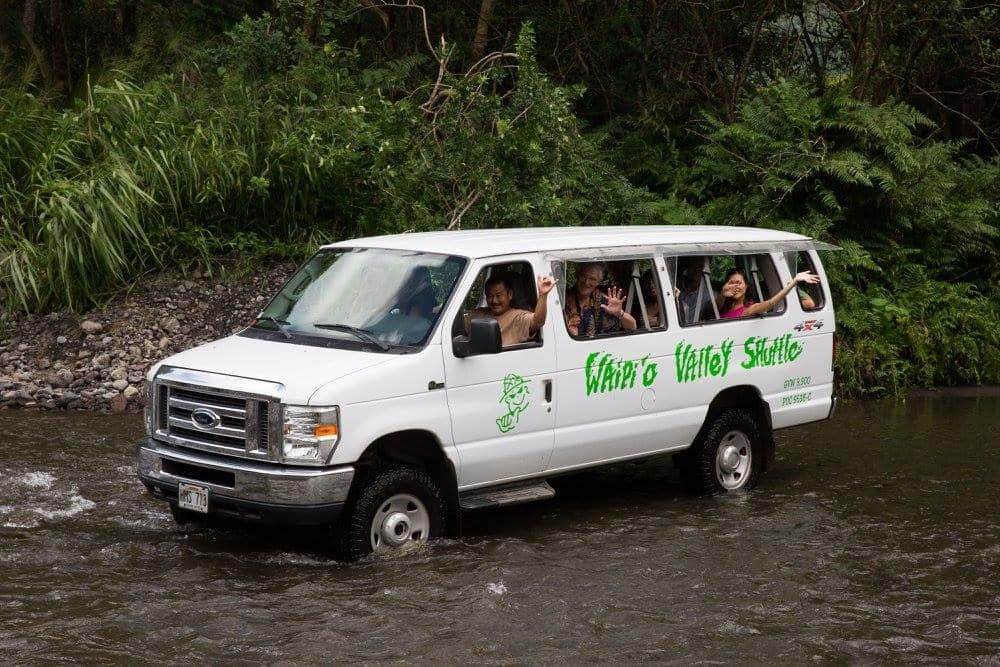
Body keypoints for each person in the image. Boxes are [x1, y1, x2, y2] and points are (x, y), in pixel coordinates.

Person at [465, 273, 558, 347]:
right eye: (490, 296)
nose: (494, 300)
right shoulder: (478, 314)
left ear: (510, 294)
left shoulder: (518, 317)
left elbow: (538, 322)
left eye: (498, 295)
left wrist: (543, 296)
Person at [565, 262, 637, 337]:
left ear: (598, 282)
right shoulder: (563, 298)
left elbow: (632, 326)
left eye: (592, 279)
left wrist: (620, 313)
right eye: (583, 276)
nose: (586, 282)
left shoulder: (604, 302)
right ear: (577, 275)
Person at [718, 268, 820, 319]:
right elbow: (709, 309)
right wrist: (723, 293)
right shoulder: (721, 305)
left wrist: (794, 282)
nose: (735, 286)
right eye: (731, 283)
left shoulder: (749, 308)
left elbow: (771, 303)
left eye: (739, 283)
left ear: (746, 286)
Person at [673, 256, 715, 324]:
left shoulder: (709, 295)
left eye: (700, 266)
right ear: (687, 266)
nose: (697, 270)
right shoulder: (675, 285)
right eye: (694, 265)